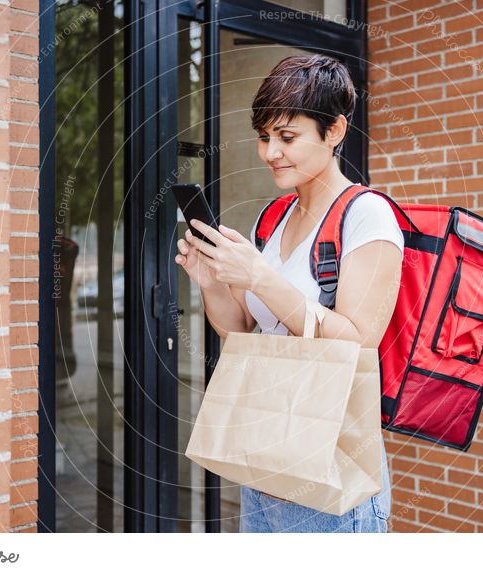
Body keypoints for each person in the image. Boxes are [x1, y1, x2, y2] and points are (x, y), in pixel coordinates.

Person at [174, 54, 404, 532]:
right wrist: (213, 282)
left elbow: (357, 341)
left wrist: (260, 277)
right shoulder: (272, 219)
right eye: (264, 137)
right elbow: (238, 329)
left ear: (334, 131)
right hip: (264, 458)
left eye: (287, 137)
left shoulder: (368, 216)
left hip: (331, 472)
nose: (270, 152)